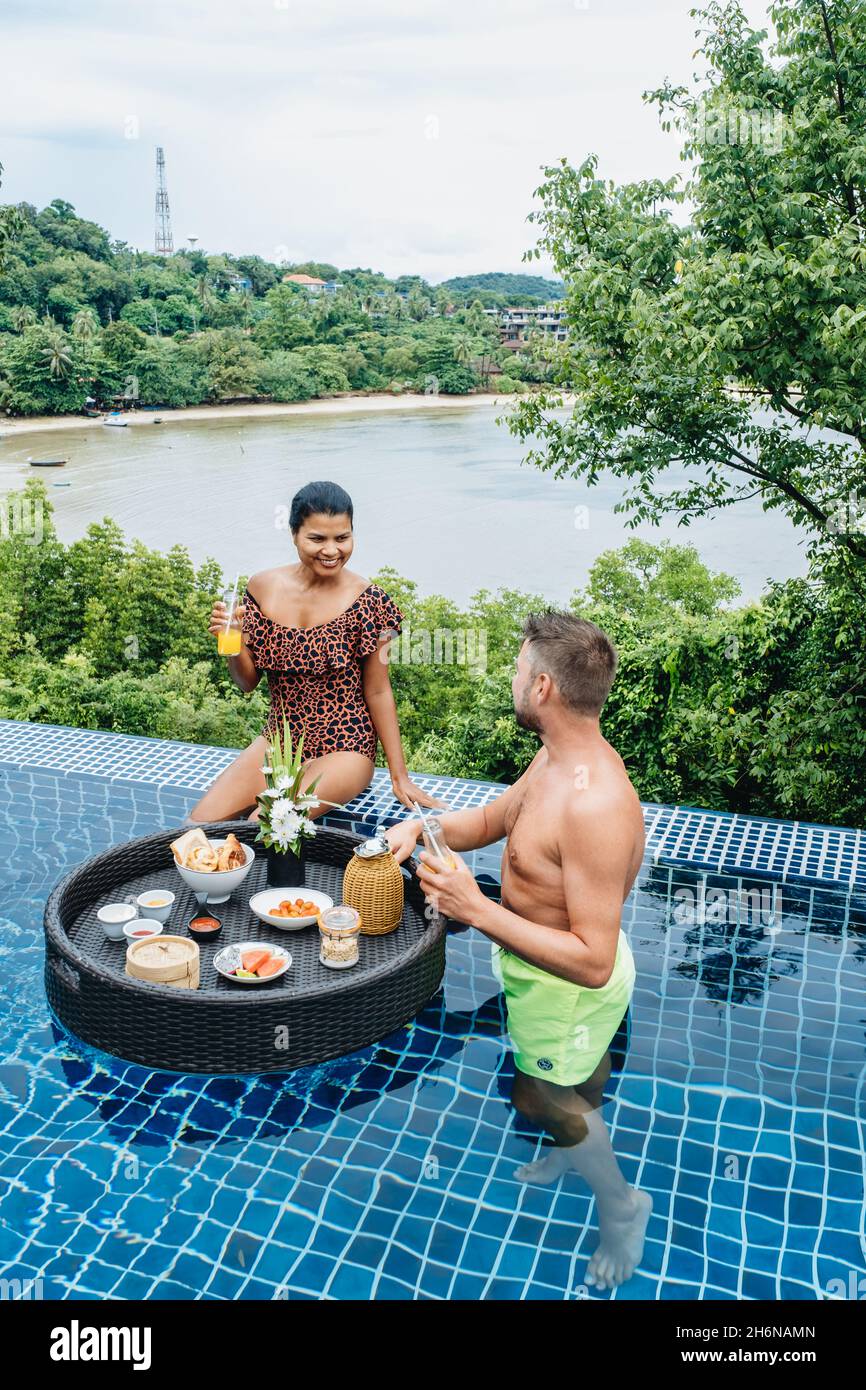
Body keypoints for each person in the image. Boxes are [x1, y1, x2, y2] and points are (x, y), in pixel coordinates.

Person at [386, 611, 652, 1290]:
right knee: (556, 1093)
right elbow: (489, 821)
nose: (511, 677)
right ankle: (567, 1153)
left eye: (516, 668)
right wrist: (422, 829)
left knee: (545, 1100)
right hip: (543, 982)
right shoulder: (557, 760)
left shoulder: (596, 805)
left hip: (569, 991)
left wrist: (473, 909)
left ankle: (622, 1205)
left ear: (542, 688)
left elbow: (591, 958)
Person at [189, 480, 441, 822]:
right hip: (279, 739)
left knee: (266, 823)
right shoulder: (261, 588)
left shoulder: (370, 602)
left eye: (342, 538)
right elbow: (247, 682)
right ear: (294, 534)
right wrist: (233, 642)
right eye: (317, 538)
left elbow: (379, 690)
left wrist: (400, 775)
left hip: (346, 747)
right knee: (196, 827)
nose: (332, 550)